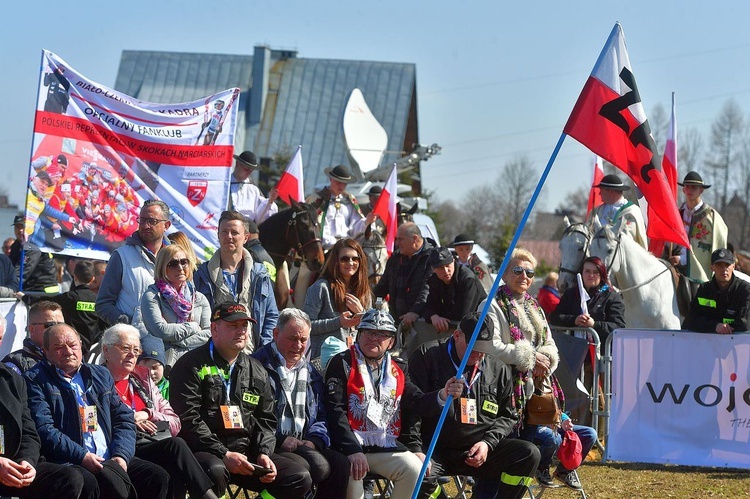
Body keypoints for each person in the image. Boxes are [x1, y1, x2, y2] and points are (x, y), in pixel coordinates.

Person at [169, 301, 312, 498]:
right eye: (233, 326)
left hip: (246, 452)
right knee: (215, 470)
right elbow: (187, 418)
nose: (241, 331)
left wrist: (263, 452)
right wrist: (223, 453)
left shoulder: (256, 368)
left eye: (244, 326)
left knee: (298, 476)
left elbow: (267, 419)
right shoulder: (190, 365)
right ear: (214, 329)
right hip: (205, 451)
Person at [24, 324, 170, 499]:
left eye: (72, 345)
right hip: (72, 460)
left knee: (156, 476)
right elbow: (45, 428)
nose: (68, 351)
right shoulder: (35, 380)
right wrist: (83, 456)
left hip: (110, 456)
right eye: (58, 347)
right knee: (88, 481)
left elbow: (123, 418)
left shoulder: (100, 375)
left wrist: (121, 455)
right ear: (45, 351)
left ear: (80, 345)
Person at [409, 312, 540, 499]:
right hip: (435, 449)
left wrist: (487, 443)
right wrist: (416, 450)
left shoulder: (498, 369)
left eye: (484, 349)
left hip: (478, 451)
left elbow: (508, 415)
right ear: (456, 336)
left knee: (528, 454)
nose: (478, 354)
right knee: (415, 471)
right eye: (473, 348)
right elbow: (411, 406)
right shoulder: (426, 357)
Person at [324, 308, 445, 499]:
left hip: (384, 446)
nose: (374, 338)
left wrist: (442, 395)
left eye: (382, 335)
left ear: (391, 342)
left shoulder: (398, 368)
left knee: (414, 468)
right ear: (359, 335)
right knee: (354, 471)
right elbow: (334, 411)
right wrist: (352, 450)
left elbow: (414, 403)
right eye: (369, 332)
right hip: (347, 448)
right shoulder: (341, 363)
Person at [101, 324, 219, 499]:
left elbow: (175, 422)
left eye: (136, 349)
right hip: (121, 447)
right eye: (125, 348)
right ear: (106, 350)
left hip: (151, 443)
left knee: (175, 466)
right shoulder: (95, 381)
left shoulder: (142, 381)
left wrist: (149, 413)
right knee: (175, 447)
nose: (132, 354)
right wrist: (129, 419)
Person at [481, 248, 562, 486]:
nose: (523, 275)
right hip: (499, 392)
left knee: (526, 455)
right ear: (504, 274)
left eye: (529, 271)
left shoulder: (534, 306)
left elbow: (549, 343)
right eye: (517, 270)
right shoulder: (491, 304)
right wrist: (528, 357)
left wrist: (544, 360)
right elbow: (488, 346)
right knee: (500, 455)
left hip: (530, 394)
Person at [253, 309, 350, 497]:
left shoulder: (312, 372)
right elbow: (250, 416)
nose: (298, 345)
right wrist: (279, 438)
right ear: (275, 334)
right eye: (292, 338)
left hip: (303, 441)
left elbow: (322, 414)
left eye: (303, 340)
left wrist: (314, 440)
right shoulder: (256, 365)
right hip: (267, 443)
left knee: (340, 464)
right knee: (307, 468)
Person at [0, 362, 92, 499]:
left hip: (12, 466)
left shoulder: (10, 379)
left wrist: (26, 461)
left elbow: (28, 433)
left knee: (74, 479)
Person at [194, 210, 278, 353]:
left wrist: (264, 349)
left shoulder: (260, 274)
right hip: (213, 354)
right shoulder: (202, 274)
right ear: (218, 235)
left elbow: (271, 315)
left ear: (246, 237)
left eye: (234, 232)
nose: (229, 237)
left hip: (252, 353)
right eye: (224, 232)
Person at [96, 199, 172, 326]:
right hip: (135, 340)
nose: (145, 225)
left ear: (167, 225)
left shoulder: (176, 258)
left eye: (152, 221)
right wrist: (129, 324)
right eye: (142, 220)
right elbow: (103, 304)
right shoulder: (121, 256)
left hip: (170, 340)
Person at [141, 244, 211, 368]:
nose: (180, 267)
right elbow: (161, 331)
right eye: (173, 264)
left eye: (184, 262)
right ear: (162, 267)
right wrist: (193, 327)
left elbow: (209, 334)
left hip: (197, 363)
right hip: (167, 364)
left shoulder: (199, 298)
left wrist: (179, 342)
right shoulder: (152, 296)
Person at [303, 238, 372, 358]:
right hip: (324, 360)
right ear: (336, 261)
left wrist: (362, 314)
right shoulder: (321, 287)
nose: (350, 263)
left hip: (357, 359)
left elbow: (372, 329)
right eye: (344, 259)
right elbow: (306, 326)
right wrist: (338, 322)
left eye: (355, 259)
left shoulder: (365, 291)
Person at [549, 257, 626, 352]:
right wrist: (574, 320)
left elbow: (619, 327)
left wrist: (594, 324)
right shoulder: (571, 294)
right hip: (575, 355)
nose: (591, 275)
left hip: (601, 357)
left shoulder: (612, 297)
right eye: (587, 271)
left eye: (596, 272)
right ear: (581, 273)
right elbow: (554, 317)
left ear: (602, 274)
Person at [664, 172, 728, 282]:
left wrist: (682, 260)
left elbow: (714, 249)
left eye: (694, 187)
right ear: (683, 190)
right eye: (687, 187)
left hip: (701, 276)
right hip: (673, 268)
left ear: (701, 190)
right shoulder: (676, 215)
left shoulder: (712, 218)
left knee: (702, 297)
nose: (690, 190)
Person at [373, 222, 437, 327]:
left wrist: (415, 312)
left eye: (400, 239)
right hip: (396, 321)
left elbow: (426, 289)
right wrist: (365, 299)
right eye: (396, 239)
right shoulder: (395, 258)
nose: (397, 243)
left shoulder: (432, 259)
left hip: (420, 324)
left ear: (414, 239)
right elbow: (382, 286)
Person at [306, 164, 376, 252]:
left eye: (344, 183)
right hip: (323, 248)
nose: (341, 186)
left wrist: (367, 222)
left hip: (346, 247)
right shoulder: (316, 199)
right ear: (331, 179)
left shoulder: (350, 200)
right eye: (338, 182)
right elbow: (312, 227)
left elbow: (354, 227)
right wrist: (332, 243)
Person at [683, 248, 750, 333]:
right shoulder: (704, 290)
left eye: (727, 265)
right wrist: (715, 326)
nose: (724, 269)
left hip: (737, 344)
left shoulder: (745, 290)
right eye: (719, 265)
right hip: (708, 344)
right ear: (712, 267)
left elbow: (745, 324)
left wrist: (724, 328)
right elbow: (691, 321)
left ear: (733, 266)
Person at [421, 247, 487, 333]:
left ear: (453, 261)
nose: (446, 271)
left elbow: (462, 314)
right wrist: (433, 316)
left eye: (447, 265)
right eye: (440, 268)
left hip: (478, 328)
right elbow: (428, 305)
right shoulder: (435, 280)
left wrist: (440, 317)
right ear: (433, 269)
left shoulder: (467, 279)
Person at [46, 260, 104, 355]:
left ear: (75, 277)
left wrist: (24, 297)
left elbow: (45, 300)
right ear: (93, 279)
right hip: (94, 349)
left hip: (71, 347)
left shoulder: (68, 298)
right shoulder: (98, 300)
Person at [587, 174, 647, 250]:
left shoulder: (632, 211)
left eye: (601, 191)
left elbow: (629, 238)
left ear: (611, 192)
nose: (599, 194)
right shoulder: (596, 212)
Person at [3, 300, 65, 374]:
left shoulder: (72, 357)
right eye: (50, 325)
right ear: (32, 329)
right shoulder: (14, 365)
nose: (57, 329)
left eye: (61, 324)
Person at [9, 215, 59, 294]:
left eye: (23, 227)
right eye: (17, 227)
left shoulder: (33, 245)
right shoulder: (16, 245)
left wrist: (7, 287)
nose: (20, 230)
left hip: (42, 291)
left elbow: (22, 272)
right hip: (31, 289)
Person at [228, 151, 278, 223]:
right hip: (228, 225)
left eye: (251, 171)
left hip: (248, 228)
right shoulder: (225, 184)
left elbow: (260, 216)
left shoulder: (253, 188)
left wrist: (270, 201)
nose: (249, 173)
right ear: (237, 164)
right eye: (246, 169)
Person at [138, 334, 170, 400]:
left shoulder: (173, 390)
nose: (151, 373)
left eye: (155, 368)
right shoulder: (132, 389)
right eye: (145, 369)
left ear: (163, 367)